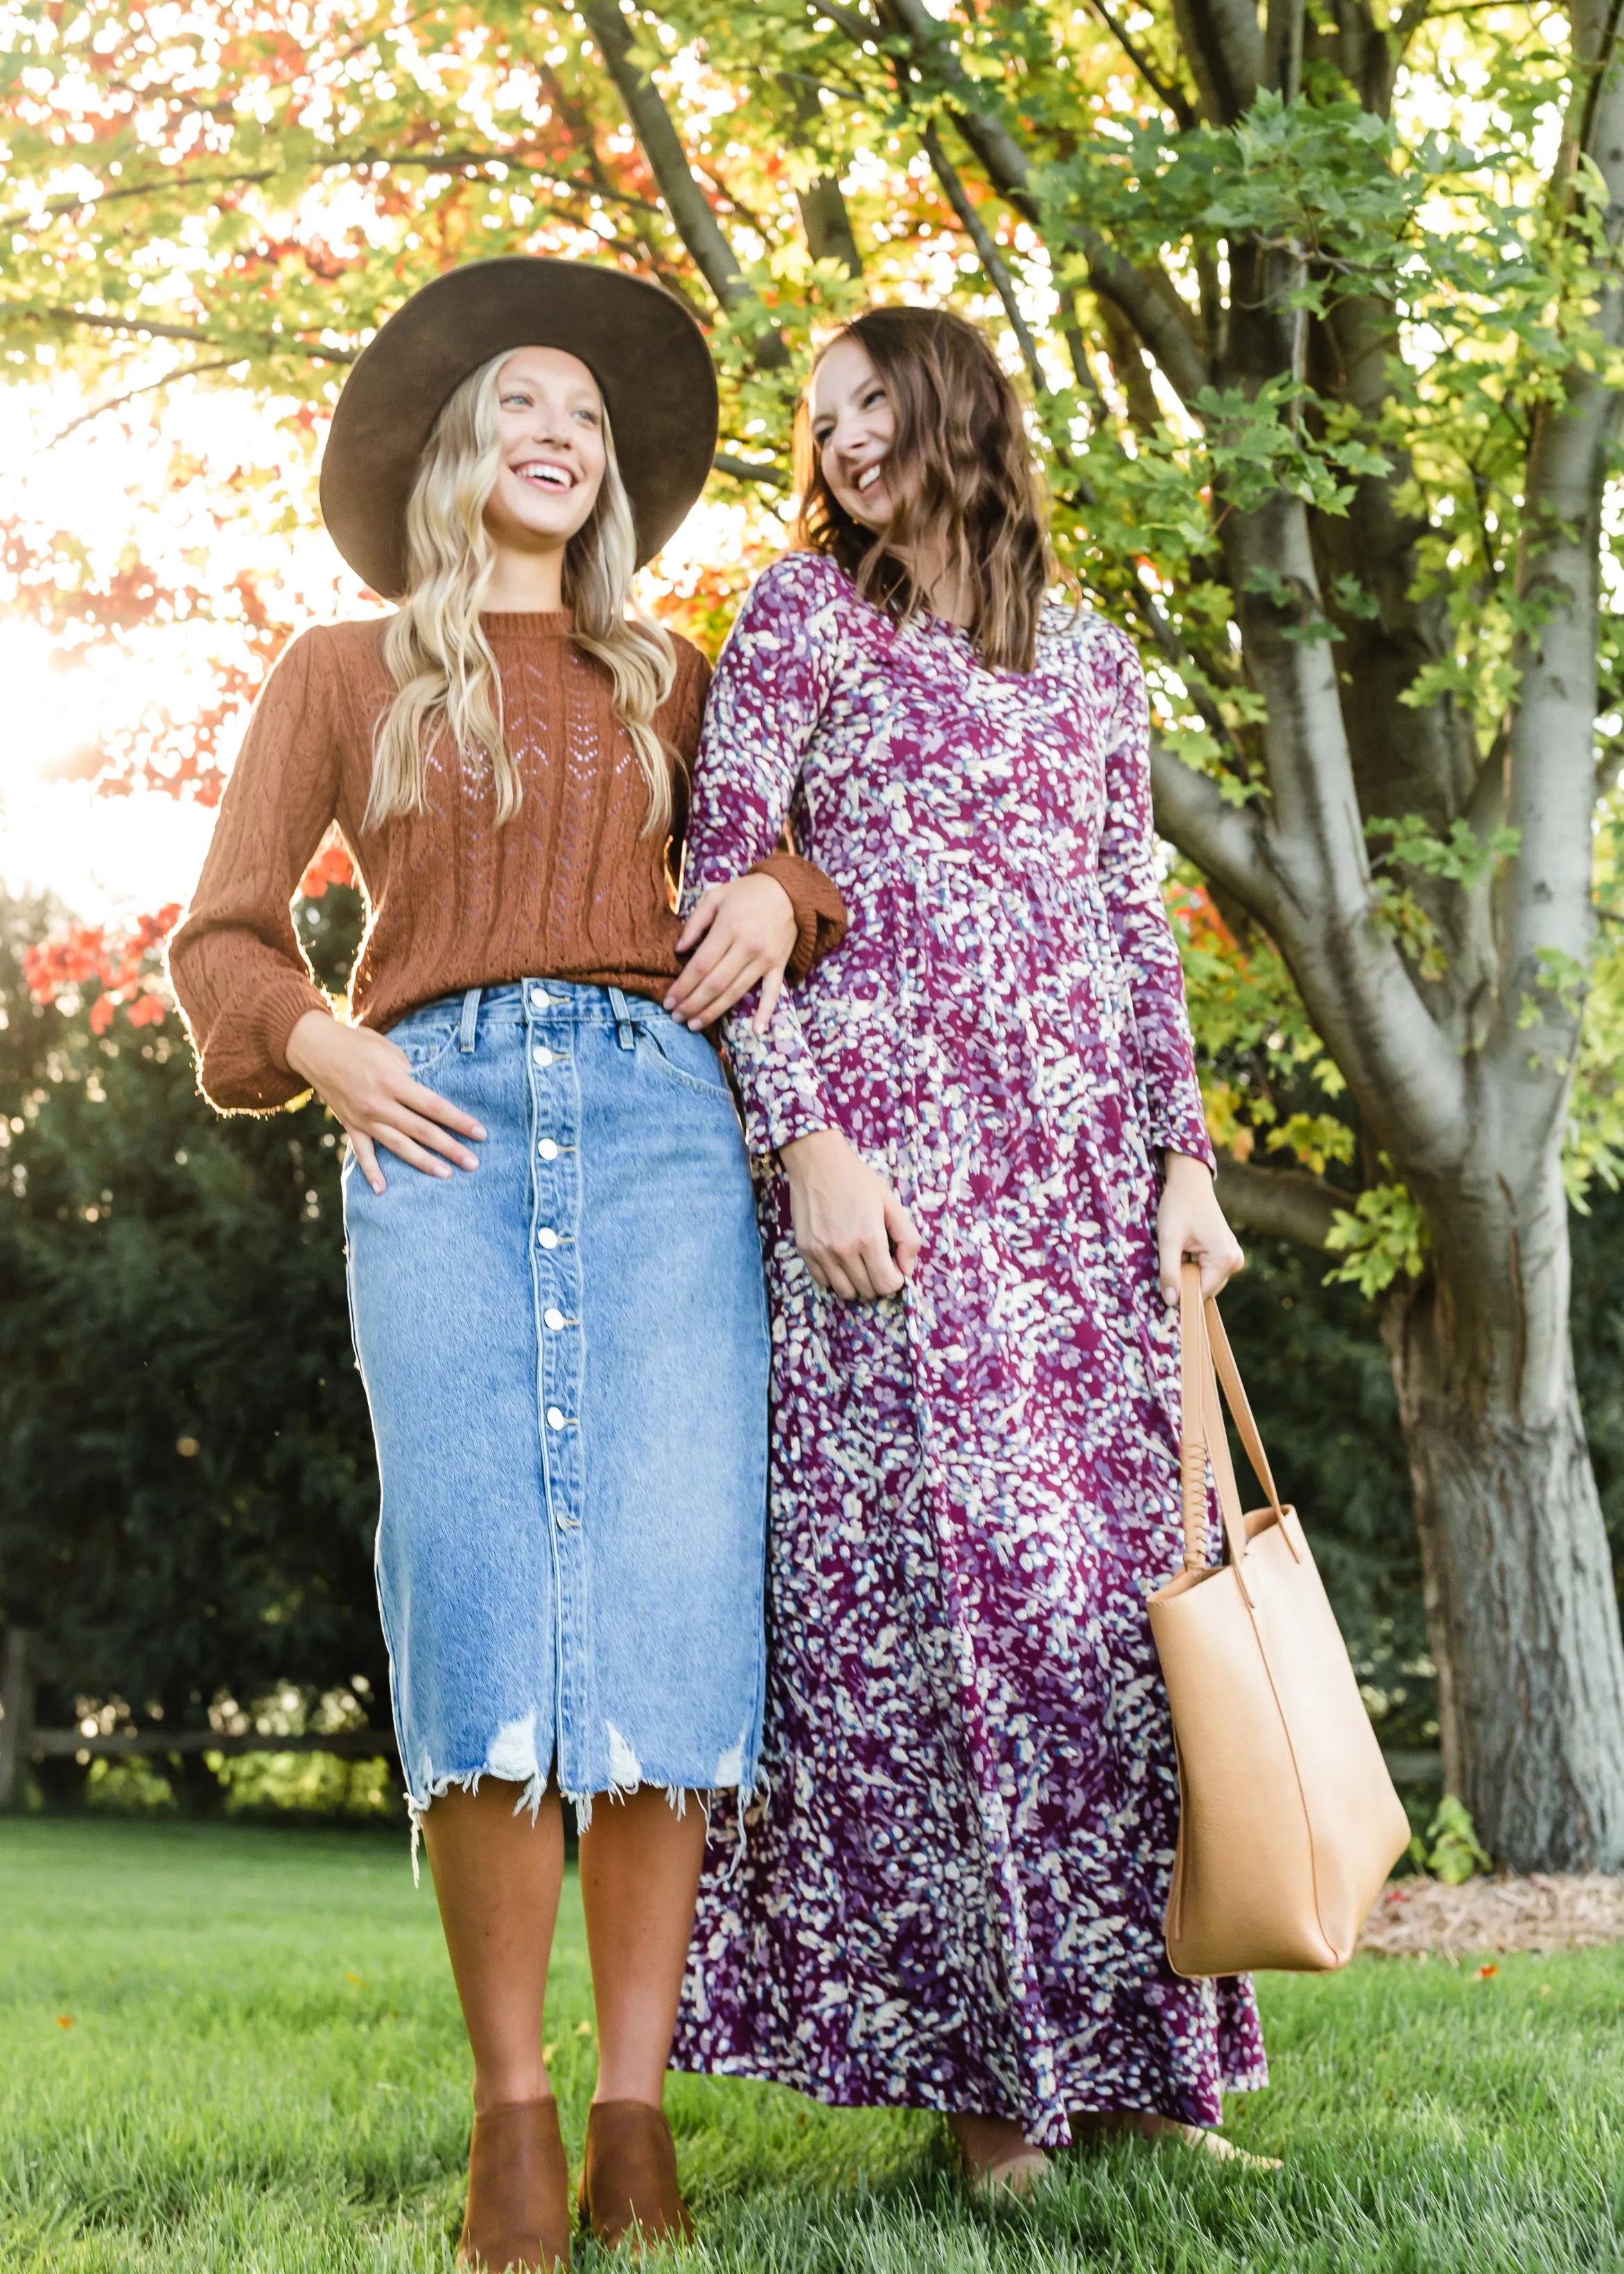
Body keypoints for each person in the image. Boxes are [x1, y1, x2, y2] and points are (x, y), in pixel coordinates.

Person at [168, 258, 845, 2272]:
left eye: (586, 421)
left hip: (659, 1130)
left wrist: (775, 898)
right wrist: (320, 1038)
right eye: (521, 406)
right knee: (476, 1610)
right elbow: (220, 934)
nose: (559, 436)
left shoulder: (674, 680)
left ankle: (636, 2123)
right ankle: (515, 2125)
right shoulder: (342, 672)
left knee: (661, 1612)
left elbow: (808, 856)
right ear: (459, 450)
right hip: (435, 1130)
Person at [665, 305, 1268, 2192]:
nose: (841, 439)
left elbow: (1126, 916)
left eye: (870, 399)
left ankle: (1163, 2087)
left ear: (953, 406)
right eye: (817, 416)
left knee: (1114, 1634)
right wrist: (807, 1142)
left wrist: (1185, 1164)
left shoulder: (1091, 656)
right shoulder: (797, 621)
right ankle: (994, 2101)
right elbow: (719, 884)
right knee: (955, 1621)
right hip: (895, 1197)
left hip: (1089, 1193)